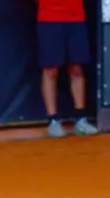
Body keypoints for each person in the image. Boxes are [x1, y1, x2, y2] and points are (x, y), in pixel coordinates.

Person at [36, 0, 99, 137]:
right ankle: (53, 121)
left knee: (76, 68)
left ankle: (81, 120)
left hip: (76, 17)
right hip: (49, 18)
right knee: (50, 70)